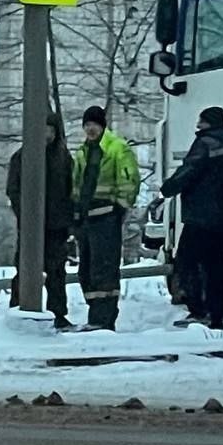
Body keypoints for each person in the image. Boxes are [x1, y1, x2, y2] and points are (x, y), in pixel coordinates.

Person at [156, 106, 223, 330]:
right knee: (214, 265)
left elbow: (190, 169)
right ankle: (216, 315)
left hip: (202, 214)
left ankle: (198, 309)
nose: (197, 125)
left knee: (187, 262)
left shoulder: (207, 143)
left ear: (208, 122)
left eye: (201, 121)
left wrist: (167, 189)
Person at [70, 105, 140, 331]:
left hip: (107, 217)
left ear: (102, 125)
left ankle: (104, 318)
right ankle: (95, 314)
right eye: (87, 125)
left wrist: (120, 207)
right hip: (87, 219)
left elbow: (129, 180)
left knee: (105, 270)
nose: (90, 129)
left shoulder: (117, 148)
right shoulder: (83, 151)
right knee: (87, 270)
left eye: (94, 124)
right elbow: (77, 184)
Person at [5, 112, 75, 330]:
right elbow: (13, 190)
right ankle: (18, 308)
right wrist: (25, 216)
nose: (46, 135)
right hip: (29, 228)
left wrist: (67, 219)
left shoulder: (63, 159)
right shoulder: (21, 157)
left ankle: (58, 314)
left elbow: (71, 190)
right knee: (25, 271)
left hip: (56, 226)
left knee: (56, 272)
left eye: (50, 130)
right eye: (42, 129)